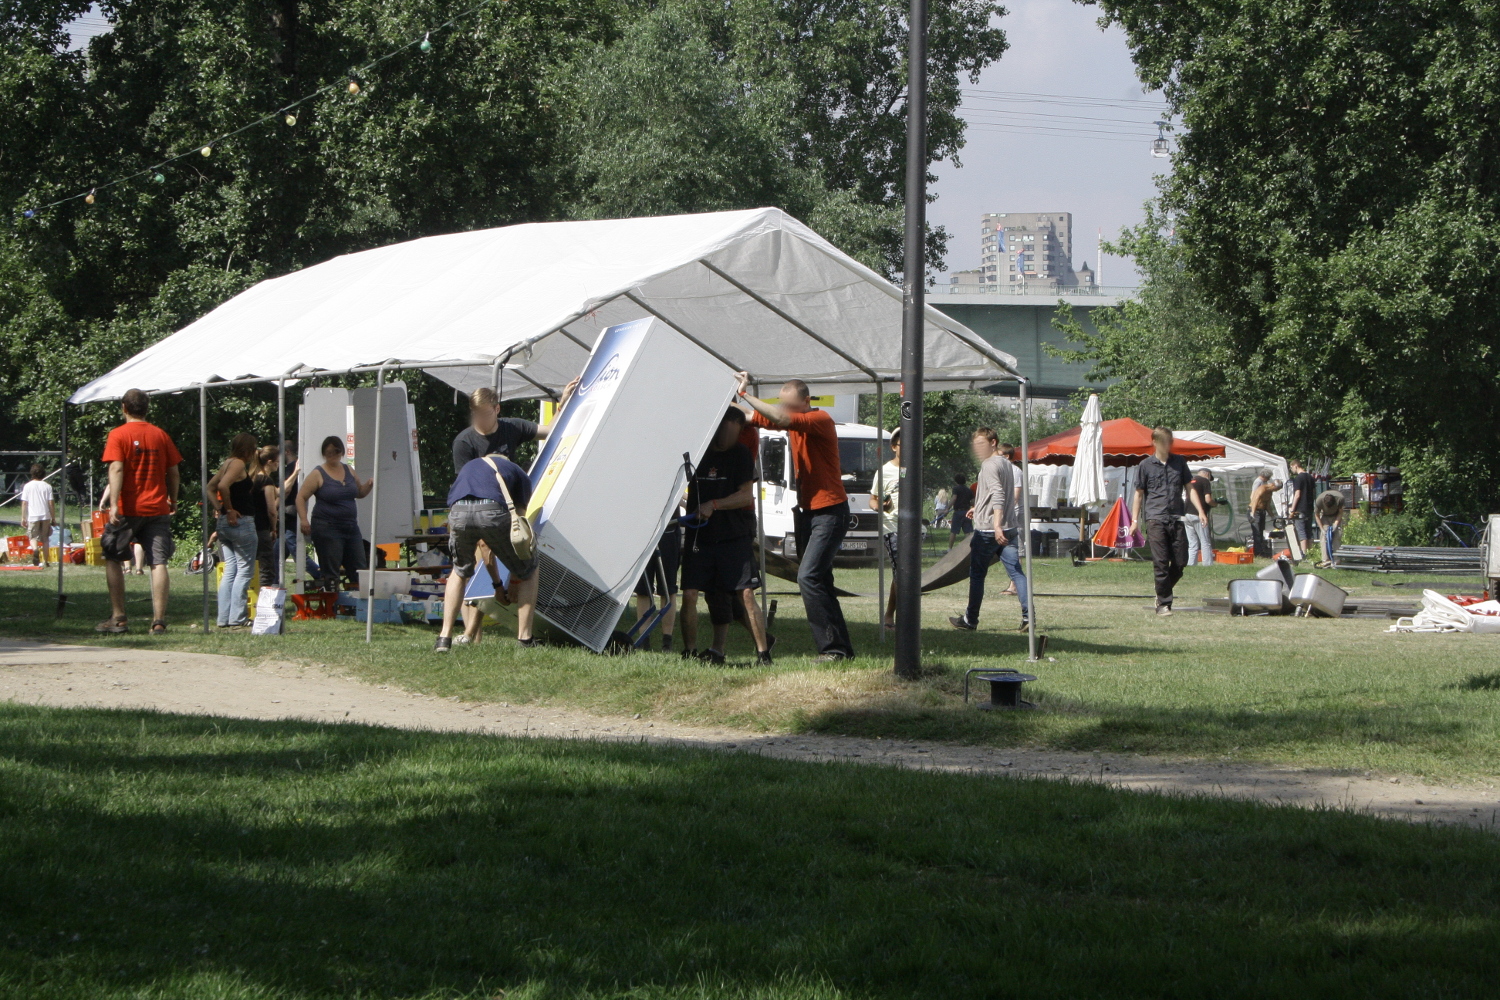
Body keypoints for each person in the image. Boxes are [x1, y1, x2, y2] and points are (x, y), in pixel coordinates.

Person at [735, 373, 853, 662]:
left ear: (806, 401)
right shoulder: (792, 419)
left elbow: (780, 418)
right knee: (820, 580)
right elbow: (748, 416)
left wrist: (746, 394)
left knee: (808, 577)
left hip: (830, 512)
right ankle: (840, 650)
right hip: (808, 512)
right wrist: (725, 396)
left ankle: (832, 650)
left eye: (789, 405)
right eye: (782, 404)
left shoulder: (820, 419)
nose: (784, 409)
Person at [679, 407, 771, 665]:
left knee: (746, 593)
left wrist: (714, 505)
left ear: (740, 432)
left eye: (732, 434)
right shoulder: (698, 451)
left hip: (733, 535)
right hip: (700, 536)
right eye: (722, 433)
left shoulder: (741, 454)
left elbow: (746, 496)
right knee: (690, 593)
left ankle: (763, 654)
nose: (725, 440)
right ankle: (690, 652)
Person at [434, 451, 540, 651]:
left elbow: (484, 546)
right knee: (530, 568)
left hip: (458, 511)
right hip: (491, 510)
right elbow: (519, 535)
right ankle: (525, 638)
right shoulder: (517, 472)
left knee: (459, 571)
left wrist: (498, 584)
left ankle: (444, 638)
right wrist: (515, 578)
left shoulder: (470, 469)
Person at [97, 388, 182, 635]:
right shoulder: (160, 435)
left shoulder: (118, 434)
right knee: (158, 562)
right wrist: (173, 499)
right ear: (147, 408)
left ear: (124, 407)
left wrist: (114, 503)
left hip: (128, 508)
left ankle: (118, 617)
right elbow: (173, 471)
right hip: (157, 507)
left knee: (113, 556)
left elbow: (116, 469)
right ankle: (159, 621)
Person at [950, 429, 1029, 633]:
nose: (978, 449)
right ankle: (1029, 616)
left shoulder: (989, 464)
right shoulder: (1007, 465)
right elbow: (993, 493)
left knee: (977, 575)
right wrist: (978, 507)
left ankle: (970, 620)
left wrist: (996, 526)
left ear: (993, 443)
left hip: (990, 530)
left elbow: (998, 494)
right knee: (1017, 573)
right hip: (1009, 528)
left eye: (981, 444)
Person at [296, 436, 373, 593]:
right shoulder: (318, 473)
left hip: (350, 527)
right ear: (324, 453)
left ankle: (356, 600)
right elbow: (300, 497)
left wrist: (369, 484)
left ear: (342, 452)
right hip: (327, 527)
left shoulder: (349, 470)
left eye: (336, 451)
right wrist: (304, 520)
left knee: (359, 567)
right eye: (328, 452)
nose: (333, 455)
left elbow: (359, 492)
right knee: (331, 570)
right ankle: (333, 600)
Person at [451, 380, 579, 472]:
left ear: (497, 409)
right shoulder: (464, 442)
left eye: (486, 414)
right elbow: (465, 484)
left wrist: (562, 403)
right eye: (477, 414)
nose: (481, 419)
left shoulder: (512, 427)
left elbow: (550, 431)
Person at [1131, 427, 1192, 616]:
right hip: (1155, 518)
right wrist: (1135, 520)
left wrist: (1200, 511)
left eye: (1170, 441)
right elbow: (1138, 495)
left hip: (1176, 518)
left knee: (1181, 562)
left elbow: (1189, 488)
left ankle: (1161, 590)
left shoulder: (1179, 462)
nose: (1168, 445)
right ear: (1155, 442)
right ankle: (1164, 603)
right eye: (1165, 441)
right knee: (1161, 562)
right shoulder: (1145, 465)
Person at [206, 433, 263, 629]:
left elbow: (210, 487)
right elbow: (222, 486)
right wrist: (229, 509)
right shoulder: (238, 464)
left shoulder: (227, 463)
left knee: (230, 570)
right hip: (241, 522)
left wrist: (220, 509)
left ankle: (223, 618)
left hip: (225, 525)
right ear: (249, 449)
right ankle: (237, 618)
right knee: (244, 571)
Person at [869, 428, 902, 627]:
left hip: (913, 529)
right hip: (892, 528)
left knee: (905, 574)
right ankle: (890, 615)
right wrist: (880, 506)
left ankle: (896, 614)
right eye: (901, 445)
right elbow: (872, 500)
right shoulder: (884, 471)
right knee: (901, 572)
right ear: (893, 447)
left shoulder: (914, 468)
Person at [634, 524, 682, 652]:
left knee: (668, 590)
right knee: (643, 590)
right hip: (645, 530)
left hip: (669, 530)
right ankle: (643, 641)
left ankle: (667, 642)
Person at [97, 481, 147, 574]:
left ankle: (127, 568)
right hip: (141, 508)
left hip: (123, 509)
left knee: (123, 538)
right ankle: (139, 569)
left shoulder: (122, 472)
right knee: (138, 541)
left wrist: (103, 501)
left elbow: (111, 485)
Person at [251, 444, 281, 587]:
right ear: (269, 462)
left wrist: (294, 474)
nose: (279, 465)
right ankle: (263, 597)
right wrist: (273, 528)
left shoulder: (253, 477)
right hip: (262, 528)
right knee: (266, 569)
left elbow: (280, 492)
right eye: (277, 461)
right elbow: (271, 510)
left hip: (250, 526)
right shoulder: (266, 481)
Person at [19, 465, 55, 568]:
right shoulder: (47, 486)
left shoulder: (27, 486)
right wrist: (53, 518)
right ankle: (46, 561)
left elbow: (24, 503)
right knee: (45, 539)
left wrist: (23, 517)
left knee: (32, 537)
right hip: (45, 515)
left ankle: (35, 550)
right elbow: (51, 503)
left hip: (33, 515)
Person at [1184, 468, 1216, 566]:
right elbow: (1208, 500)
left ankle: (1191, 564)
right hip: (1198, 514)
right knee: (1205, 541)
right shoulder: (1205, 481)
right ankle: (1207, 564)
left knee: (1192, 543)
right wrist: (1215, 503)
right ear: (1208, 474)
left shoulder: (1191, 481)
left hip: (1187, 514)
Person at [1248, 468, 1282, 558]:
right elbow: (1254, 500)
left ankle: (1262, 550)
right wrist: (1252, 513)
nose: (1276, 491)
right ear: (1273, 485)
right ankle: (1258, 553)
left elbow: (1267, 505)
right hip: (1255, 511)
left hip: (1262, 511)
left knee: (1261, 531)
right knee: (1257, 533)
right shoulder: (1262, 488)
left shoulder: (1269, 492)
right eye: (1276, 489)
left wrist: (1273, 516)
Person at [1313, 488, 1345, 569]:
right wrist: (1322, 529)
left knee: (1337, 536)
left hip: (1336, 515)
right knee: (1323, 537)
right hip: (1325, 516)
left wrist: (1335, 524)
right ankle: (1326, 561)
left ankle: (1337, 560)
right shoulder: (1319, 500)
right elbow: (1317, 516)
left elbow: (1341, 512)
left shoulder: (1340, 498)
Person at [1289, 460, 1316, 551]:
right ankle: (1311, 552)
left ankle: (1304, 554)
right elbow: (1314, 493)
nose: (1291, 470)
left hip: (1300, 508)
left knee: (1301, 532)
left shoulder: (1298, 478)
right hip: (1309, 508)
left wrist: (1292, 510)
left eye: (1291, 467)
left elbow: (1297, 495)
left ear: (1295, 465)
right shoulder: (1310, 477)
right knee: (1309, 532)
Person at [949, 473, 974, 543]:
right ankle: (969, 547)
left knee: (953, 531)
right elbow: (973, 502)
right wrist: (967, 503)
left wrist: (947, 508)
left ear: (956, 481)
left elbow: (954, 498)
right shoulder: (968, 490)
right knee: (967, 532)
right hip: (967, 512)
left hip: (958, 512)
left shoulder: (956, 489)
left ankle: (950, 548)